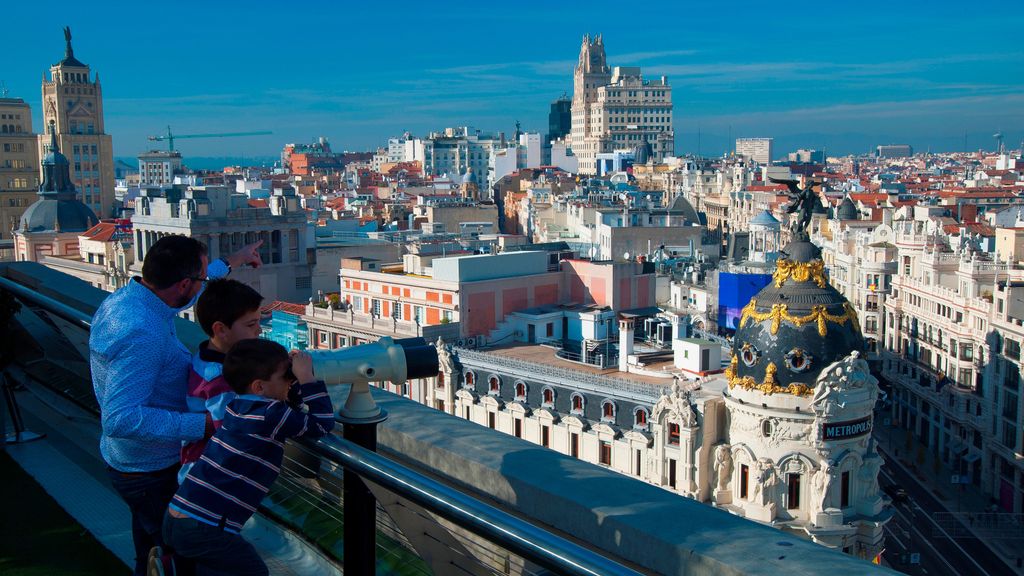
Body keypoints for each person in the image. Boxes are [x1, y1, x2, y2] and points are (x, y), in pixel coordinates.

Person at [89, 235, 262, 576]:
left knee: (152, 551)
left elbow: (187, 288)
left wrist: (232, 261)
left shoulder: (131, 299)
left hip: (131, 462)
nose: (203, 285)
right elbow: (120, 419)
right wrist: (205, 426)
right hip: (151, 470)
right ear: (183, 283)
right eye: (201, 278)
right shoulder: (142, 333)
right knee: (184, 559)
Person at [161, 339, 335, 575]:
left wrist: (288, 375)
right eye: (285, 376)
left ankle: (170, 568)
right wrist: (306, 378)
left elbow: (287, 402)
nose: (289, 380)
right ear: (259, 387)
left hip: (179, 515)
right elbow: (322, 425)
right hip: (205, 526)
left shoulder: (238, 406)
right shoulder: (270, 414)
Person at [178, 278, 264, 483]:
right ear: (221, 330)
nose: (259, 330)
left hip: (198, 468)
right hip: (209, 476)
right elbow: (231, 428)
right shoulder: (220, 379)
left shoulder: (203, 356)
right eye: (252, 324)